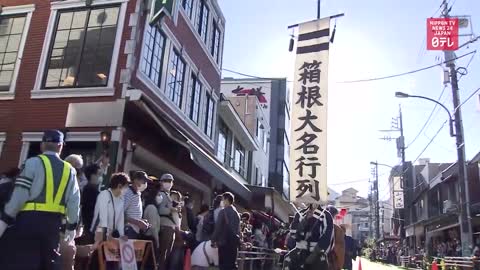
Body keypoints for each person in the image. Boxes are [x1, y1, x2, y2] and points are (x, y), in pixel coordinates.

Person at [0, 130, 81, 269]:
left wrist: (5, 219)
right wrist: (71, 227)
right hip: (52, 225)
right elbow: (74, 202)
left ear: (42, 145)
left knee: (23, 261)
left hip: (28, 221)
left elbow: (20, 196)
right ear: (60, 146)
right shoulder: (70, 171)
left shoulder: (31, 163)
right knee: (49, 262)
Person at [283, 205, 335, 270]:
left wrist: (314, 254)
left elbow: (327, 238)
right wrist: (305, 220)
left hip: (317, 252)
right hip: (299, 251)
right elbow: (293, 234)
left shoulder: (326, 215)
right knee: (287, 260)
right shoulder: (300, 214)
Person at [90, 172, 130, 247]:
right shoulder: (104, 195)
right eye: (126, 187)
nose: (127, 190)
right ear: (119, 186)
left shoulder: (121, 199)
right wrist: (105, 236)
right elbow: (102, 218)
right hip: (99, 231)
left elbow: (120, 219)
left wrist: (122, 235)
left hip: (110, 234)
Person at [211, 192, 241, 270]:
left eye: (223, 199)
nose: (222, 201)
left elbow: (218, 228)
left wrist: (213, 240)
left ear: (227, 199)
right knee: (231, 264)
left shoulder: (223, 211)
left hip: (223, 242)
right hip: (233, 243)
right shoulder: (236, 213)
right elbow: (238, 229)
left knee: (223, 265)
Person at [76, 164, 102, 245]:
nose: (100, 177)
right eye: (99, 174)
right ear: (92, 175)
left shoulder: (90, 189)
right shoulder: (91, 190)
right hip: (91, 228)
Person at [157, 173, 177, 270]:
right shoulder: (160, 194)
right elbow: (160, 210)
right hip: (164, 226)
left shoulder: (169, 195)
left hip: (171, 227)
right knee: (162, 254)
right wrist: (171, 210)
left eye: (170, 181)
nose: (168, 183)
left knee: (167, 255)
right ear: (161, 182)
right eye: (166, 181)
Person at [124, 171, 151, 239]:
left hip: (133, 230)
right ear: (135, 180)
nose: (145, 184)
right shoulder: (128, 192)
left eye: (146, 182)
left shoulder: (137, 194)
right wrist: (138, 222)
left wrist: (141, 221)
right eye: (143, 181)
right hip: (127, 230)